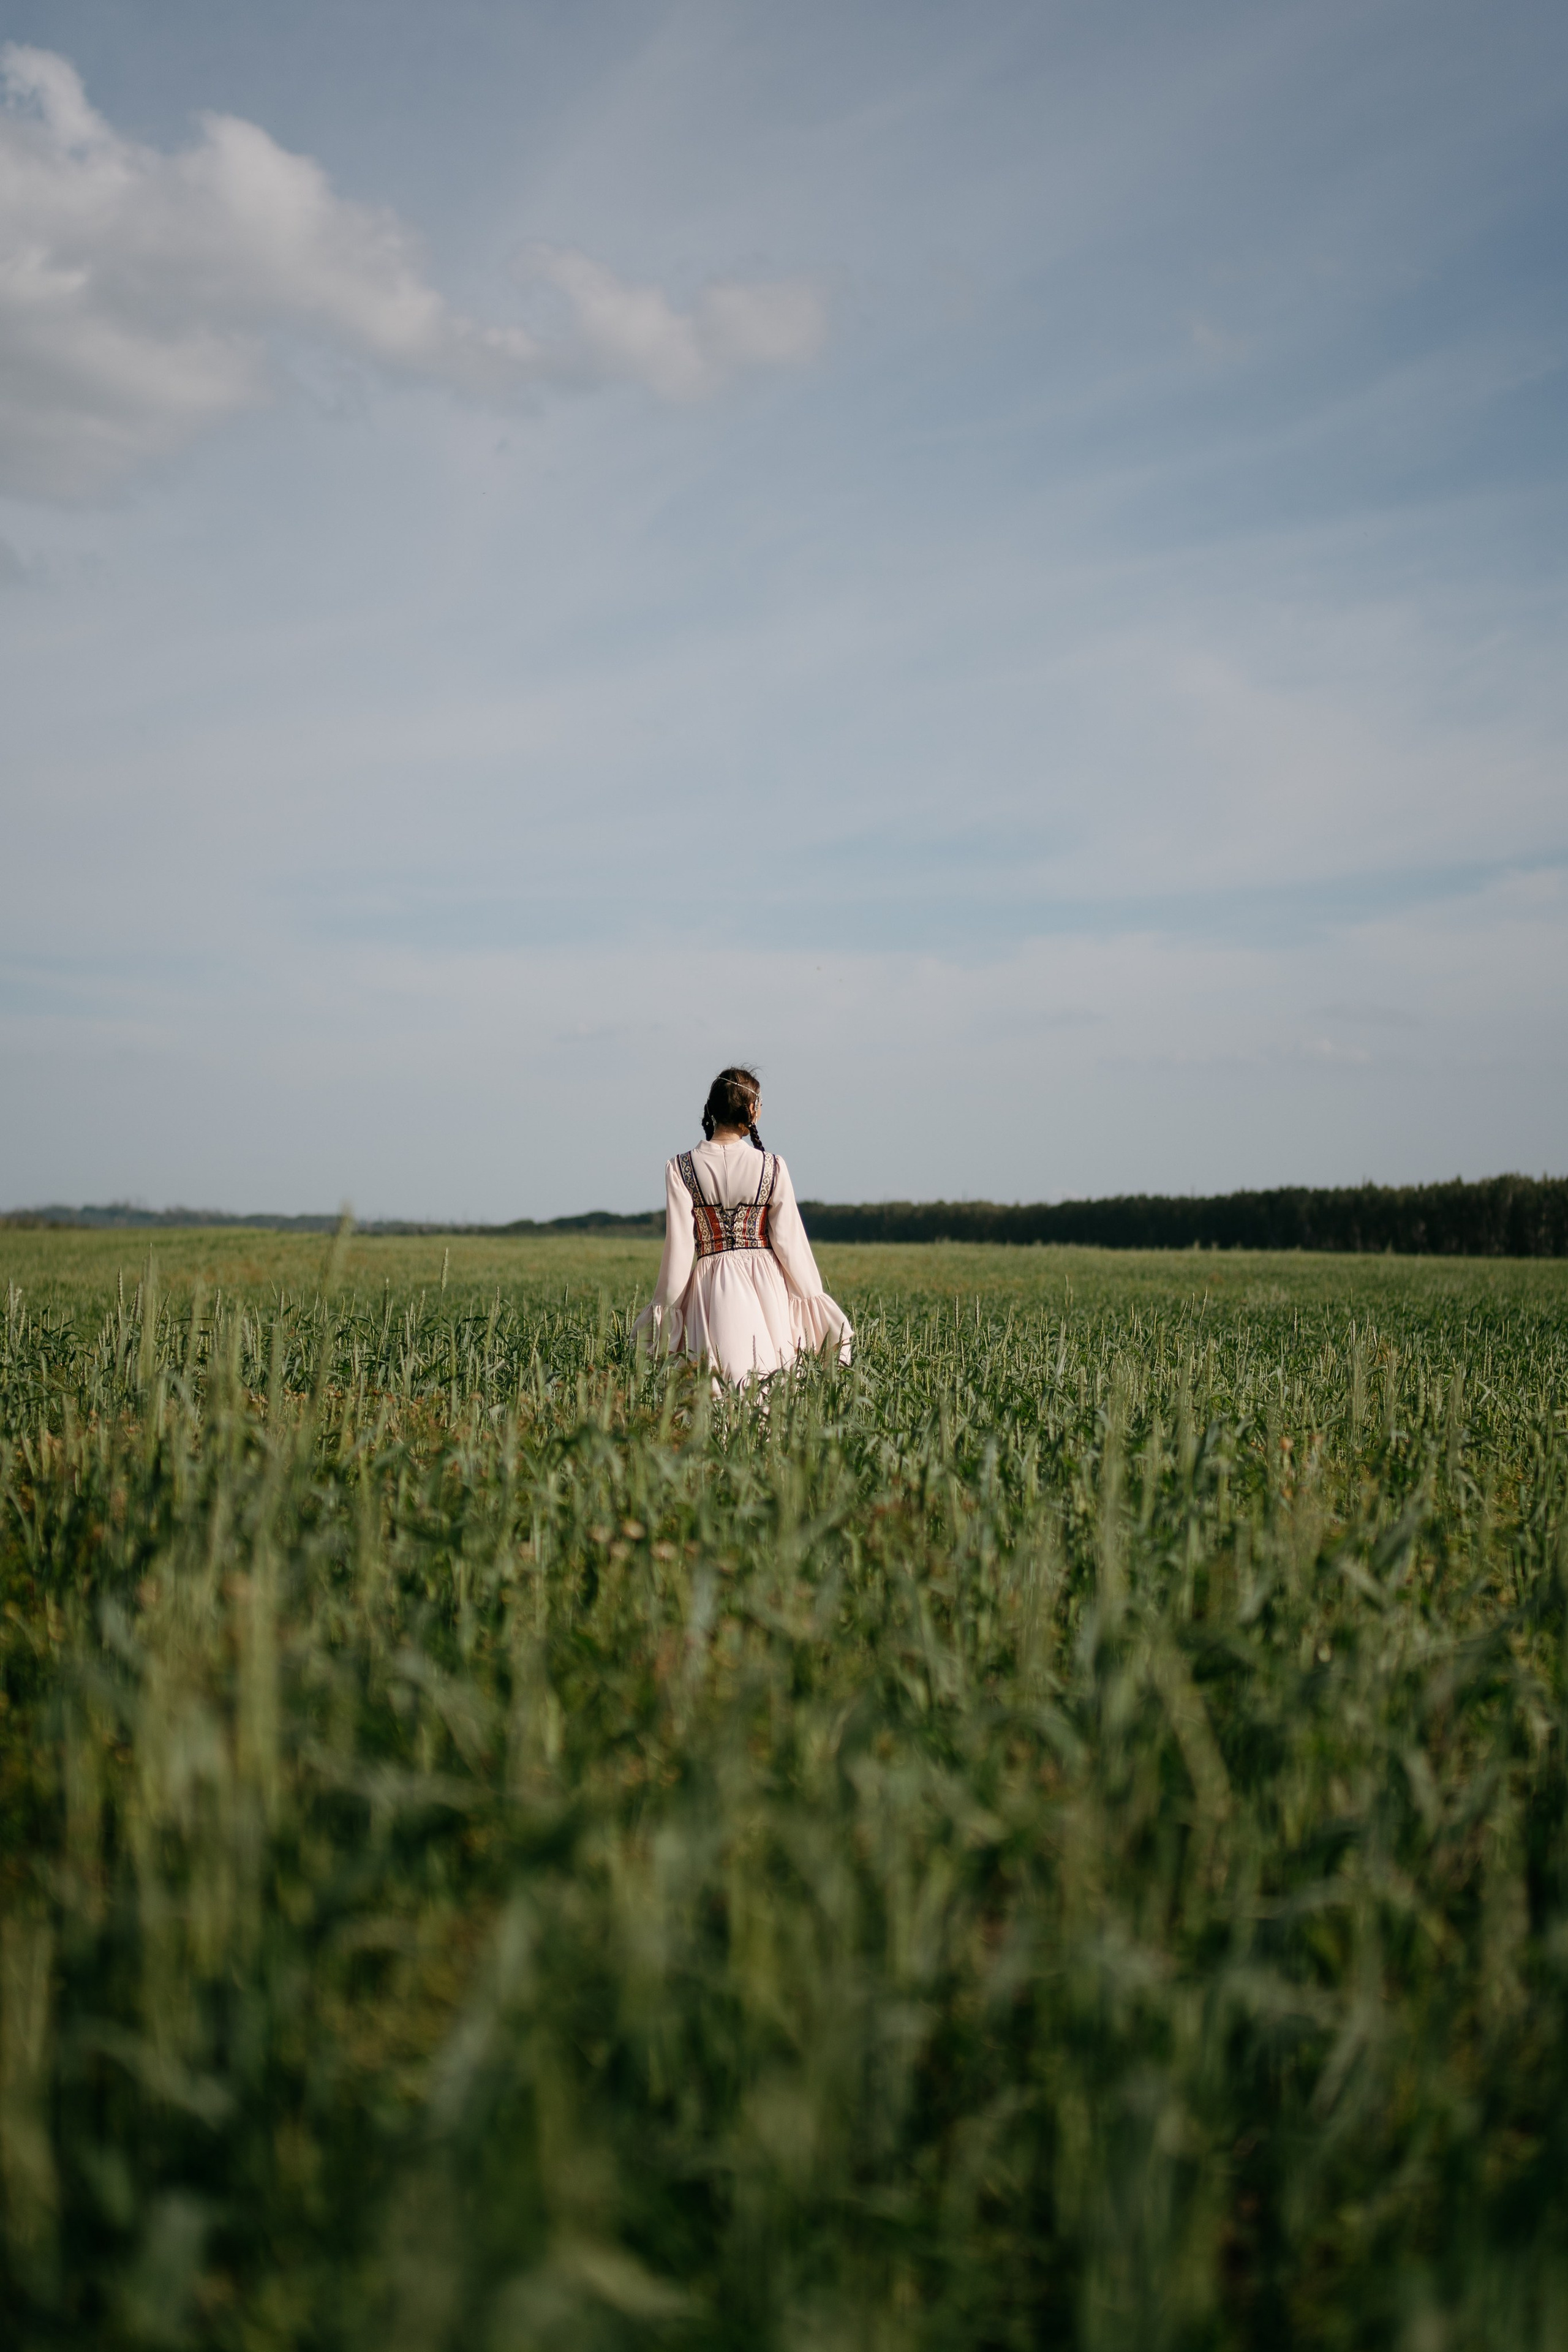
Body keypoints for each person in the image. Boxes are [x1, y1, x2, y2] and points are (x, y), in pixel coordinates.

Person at [634, 1066, 853, 1384]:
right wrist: (814, 1305)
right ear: (751, 1110)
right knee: (769, 1377)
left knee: (716, 1384)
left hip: (711, 1282)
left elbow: (680, 1251)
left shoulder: (680, 1168)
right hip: (767, 1283)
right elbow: (790, 1243)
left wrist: (665, 1315)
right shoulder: (772, 1166)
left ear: (711, 1109)